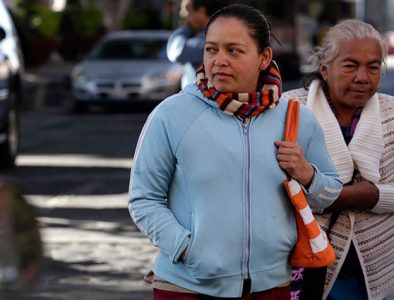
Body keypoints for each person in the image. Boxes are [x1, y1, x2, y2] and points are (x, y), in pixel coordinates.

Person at [129, 4, 342, 299]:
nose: (219, 61)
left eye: (234, 51)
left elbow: (330, 193)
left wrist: (307, 174)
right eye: (211, 49)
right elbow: (144, 198)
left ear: (264, 57)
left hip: (271, 287)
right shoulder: (172, 114)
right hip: (188, 287)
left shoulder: (297, 118)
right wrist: (186, 249)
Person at [283, 19, 394, 300]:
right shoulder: (288, 109)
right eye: (350, 65)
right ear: (324, 68)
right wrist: (357, 195)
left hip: (376, 263)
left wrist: (369, 196)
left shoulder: (391, 113)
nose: (362, 77)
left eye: (373, 67)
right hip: (303, 261)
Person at [166, 0, 228, 88]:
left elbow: (177, 52)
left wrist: (187, 28)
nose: (185, 17)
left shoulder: (210, 38)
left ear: (201, 12)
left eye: (188, 12)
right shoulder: (217, 33)